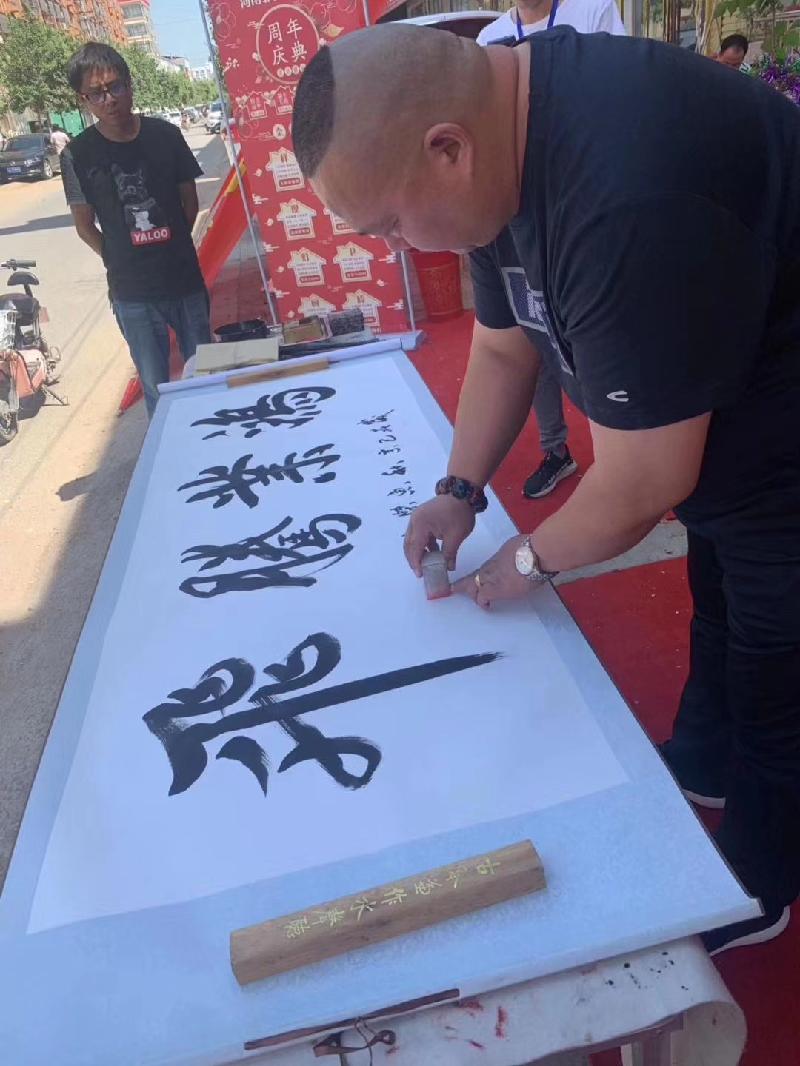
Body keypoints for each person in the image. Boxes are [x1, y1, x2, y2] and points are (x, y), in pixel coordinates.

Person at [292, 25, 800, 956]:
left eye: (389, 224)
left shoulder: (624, 190)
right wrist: (458, 489)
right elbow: (502, 346)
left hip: (783, 437)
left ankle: (760, 877)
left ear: (447, 149)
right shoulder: (500, 148)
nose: (397, 247)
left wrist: (527, 559)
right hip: (730, 417)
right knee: (723, 602)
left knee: (780, 662)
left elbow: (644, 479)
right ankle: (705, 763)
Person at [477, 0, 625, 498]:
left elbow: (615, 95)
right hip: (522, 217)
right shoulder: (491, 36)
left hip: (588, 207)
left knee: (602, 341)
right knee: (532, 333)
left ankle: (625, 467)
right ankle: (556, 450)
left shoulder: (593, 11)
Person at [61, 42, 211, 417]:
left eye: (115, 87)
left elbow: (189, 203)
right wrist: (119, 258)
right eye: (96, 93)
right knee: (157, 391)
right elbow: (84, 225)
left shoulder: (166, 135)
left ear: (129, 85)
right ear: (83, 100)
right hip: (133, 295)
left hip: (185, 281)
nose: (109, 99)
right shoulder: (77, 155)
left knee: (205, 380)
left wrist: (171, 246)